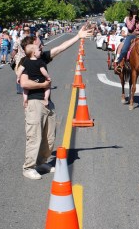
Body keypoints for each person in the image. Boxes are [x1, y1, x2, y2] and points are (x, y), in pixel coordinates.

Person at [19, 24, 91, 180]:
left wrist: (78, 37)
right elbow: (24, 83)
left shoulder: (41, 57)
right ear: (31, 47)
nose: (42, 45)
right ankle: (28, 167)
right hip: (34, 102)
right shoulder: (25, 62)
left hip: (47, 103)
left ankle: (41, 162)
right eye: (39, 43)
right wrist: (43, 85)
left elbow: (60, 48)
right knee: (35, 136)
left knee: (49, 137)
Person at [114, 5, 139, 74]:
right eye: (133, 12)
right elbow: (130, 28)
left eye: (136, 12)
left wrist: (138, 32)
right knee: (124, 49)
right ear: (131, 13)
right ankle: (119, 64)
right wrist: (133, 19)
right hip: (130, 36)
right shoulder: (128, 19)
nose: (135, 14)